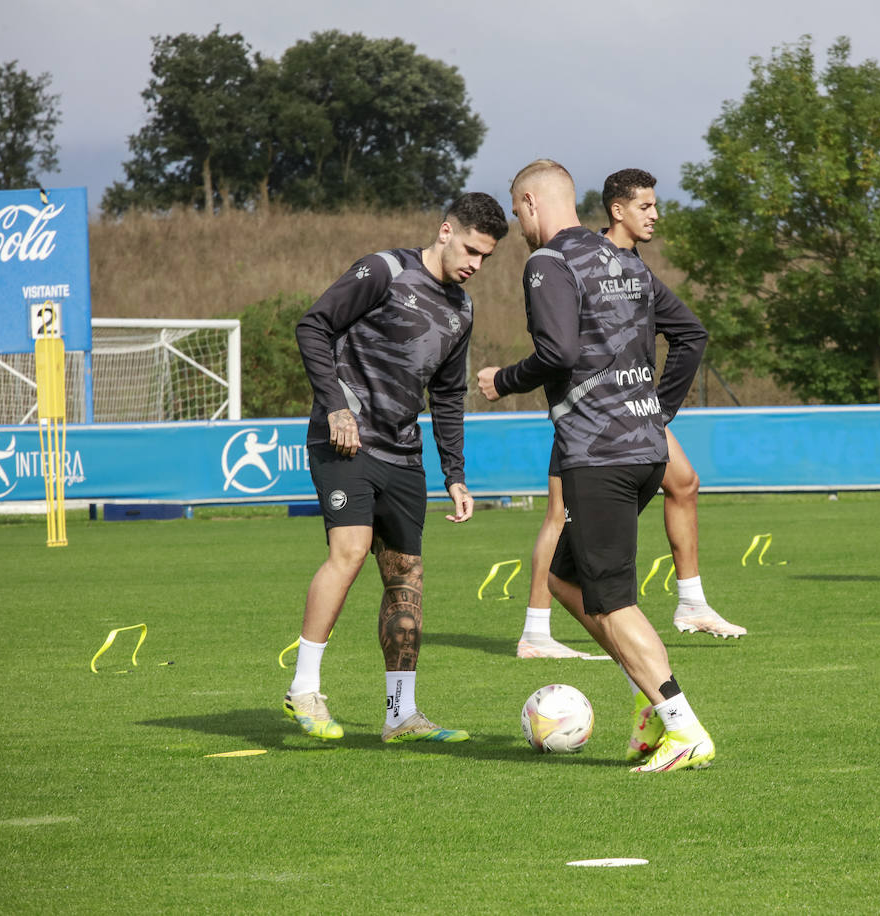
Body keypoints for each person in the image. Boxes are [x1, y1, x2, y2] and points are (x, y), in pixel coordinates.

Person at [478, 159, 714, 773]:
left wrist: (503, 381)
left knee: (610, 599)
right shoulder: (624, 259)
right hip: (643, 450)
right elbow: (690, 334)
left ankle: (682, 727)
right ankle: (648, 694)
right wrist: (655, 413)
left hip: (599, 455)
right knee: (565, 577)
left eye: (514, 208)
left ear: (530, 202)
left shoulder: (548, 263)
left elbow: (556, 353)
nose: (516, 222)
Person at [283, 192, 509, 742]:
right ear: (445, 230)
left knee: (405, 579)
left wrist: (455, 474)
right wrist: (335, 405)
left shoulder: (462, 310)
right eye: (472, 251)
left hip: (404, 455)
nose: (475, 265)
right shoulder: (384, 270)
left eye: (486, 258)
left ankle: (400, 714)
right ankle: (303, 691)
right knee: (351, 550)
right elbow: (313, 326)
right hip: (347, 443)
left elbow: (450, 398)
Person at [516, 168, 745, 662]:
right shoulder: (572, 259)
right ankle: (536, 630)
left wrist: (657, 410)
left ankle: (691, 602)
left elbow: (689, 333)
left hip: (628, 414)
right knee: (560, 515)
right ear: (617, 211)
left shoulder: (630, 263)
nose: (656, 215)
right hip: (592, 416)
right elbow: (561, 350)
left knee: (683, 481)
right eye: (646, 206)